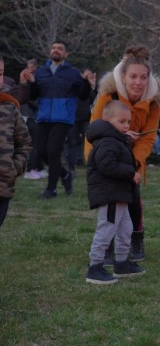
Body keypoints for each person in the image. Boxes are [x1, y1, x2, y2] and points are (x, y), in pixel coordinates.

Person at [85, 45, 160, 262]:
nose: (138, 82)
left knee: (133, 199)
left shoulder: (154, 102)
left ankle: (136, 238)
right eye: (133, 76)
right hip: (106, 155)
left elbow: (148, 138)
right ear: (123, 77)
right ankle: (107, 245)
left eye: (143, 77)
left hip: (132, 158)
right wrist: (96, 162)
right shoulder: (109, 94)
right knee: (110, 200)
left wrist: (134, 164)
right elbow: (95, 129)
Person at [19, 40, 95, 199]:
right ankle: (65, 175)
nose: (56, 50)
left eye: (60, 49)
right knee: (42, 152)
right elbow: (33, 96)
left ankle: (51, 189)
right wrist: (30, 83)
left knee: (53, 151)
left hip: (63, 118)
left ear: (66, 54)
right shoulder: (41, 72)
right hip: (44, 117)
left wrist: (87, 83)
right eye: (54, 48)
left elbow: (82, 95)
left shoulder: (73, 73)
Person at [85, 101, 145, 284]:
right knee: (106, 229)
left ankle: (121, 263)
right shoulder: (108, 141)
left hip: (119, 195)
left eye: (128, 122)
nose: (126, 125)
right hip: (110, 194)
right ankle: (95, 267)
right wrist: (131, 173)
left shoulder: (116, 140)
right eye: (121, 121)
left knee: (125, 229)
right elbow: (107, 165)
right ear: (107, 119)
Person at [0, 80, 32, 230]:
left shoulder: (10, 106)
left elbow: (24, 143)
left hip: (3, 187)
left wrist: (14, 168)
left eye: (0, 73)